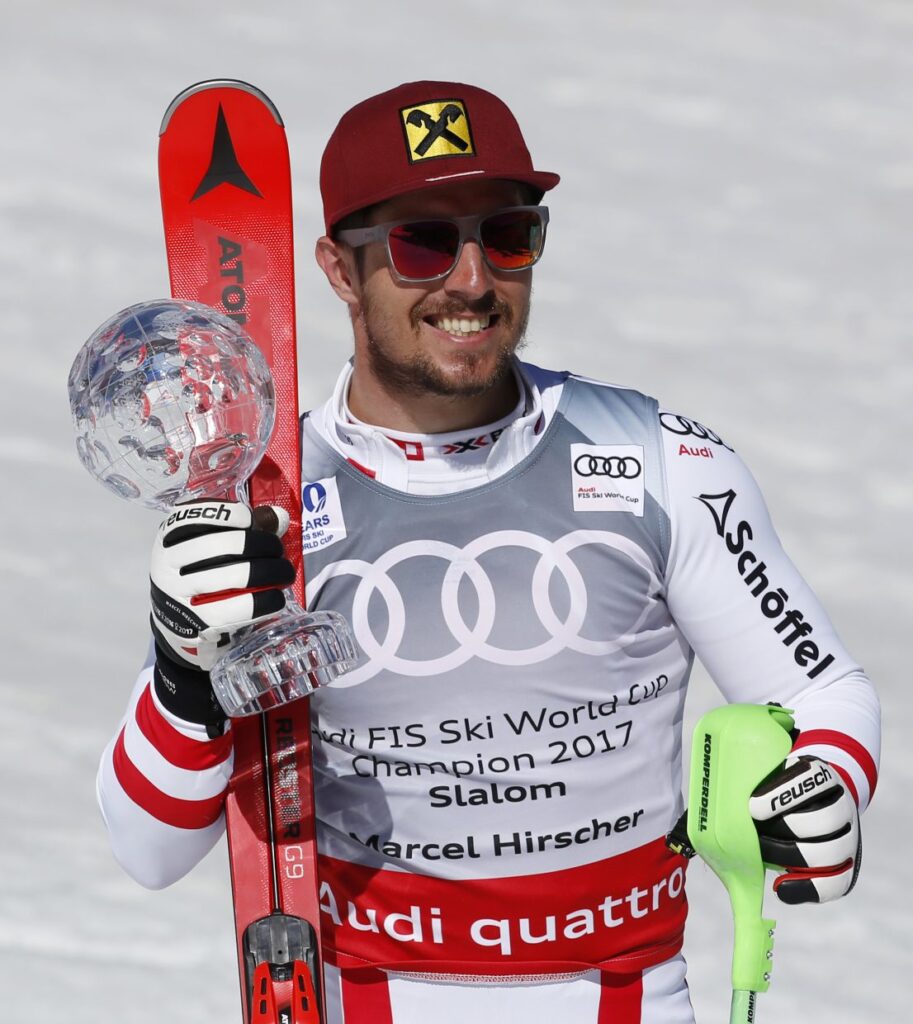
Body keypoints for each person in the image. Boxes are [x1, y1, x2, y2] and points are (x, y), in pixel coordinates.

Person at [97, 81, 880, 1023]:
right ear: (339, 271)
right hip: (357, 992)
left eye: (508, 235)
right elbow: (147, 850)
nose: (472, 280)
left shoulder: (655, 458)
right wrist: (187, 677)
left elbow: (818, 691)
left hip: (626, 994)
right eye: (422, 242)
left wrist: (822, 785)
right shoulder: (267, 504)